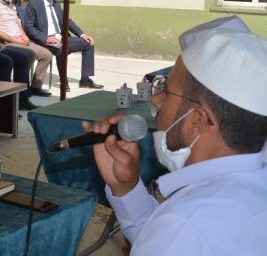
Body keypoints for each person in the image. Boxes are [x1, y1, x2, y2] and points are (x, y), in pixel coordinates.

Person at [86, 27, 267, 255]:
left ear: (196, 121)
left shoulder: (186, 225)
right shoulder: (256, 183)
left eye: (167, 91)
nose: (156, 100)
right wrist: (126, 188)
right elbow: (166, 241)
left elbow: (178, 238)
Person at [24, 0, 103, 91]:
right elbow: (29, 27)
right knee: (61, 49)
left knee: (88, 43)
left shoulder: (56, 4)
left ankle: (85, 80)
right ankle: (63, 82)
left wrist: (82, 34)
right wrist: (46, 38)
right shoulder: (34, 4)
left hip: (59, 38)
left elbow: (67, 21)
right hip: (43, 40)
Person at [0, 0, 53, 97]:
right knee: (30, 53)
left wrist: (24, 36)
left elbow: (18, 25)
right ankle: (21, 89)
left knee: (46, 55)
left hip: (19, 40)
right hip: (6, 42)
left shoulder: (12, 6)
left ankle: (35, 86)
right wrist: (15, 41)